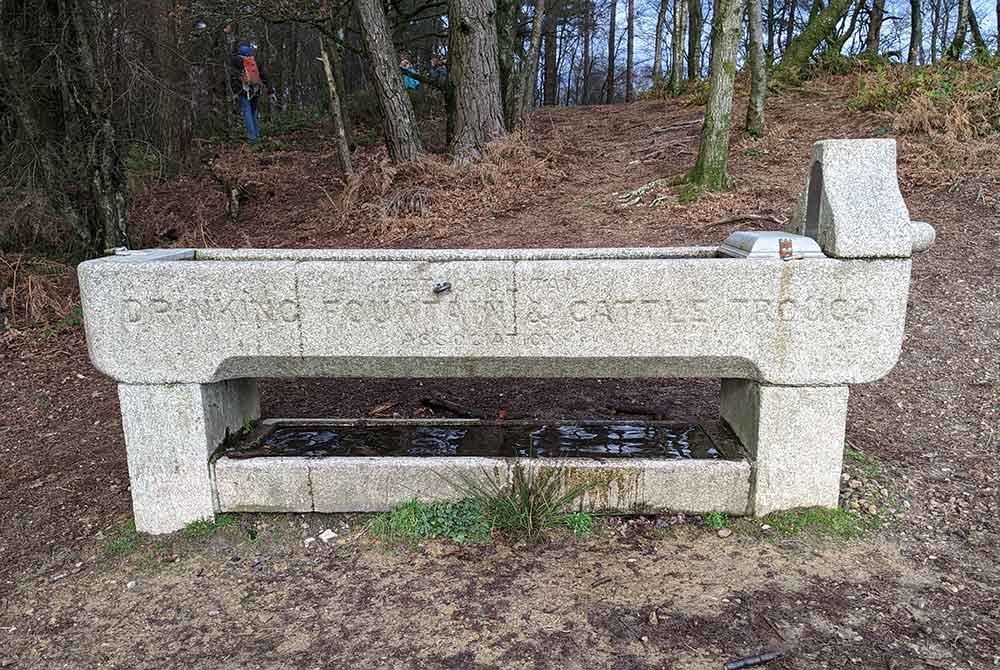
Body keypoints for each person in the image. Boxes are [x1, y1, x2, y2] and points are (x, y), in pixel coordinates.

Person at [230, 42, 272, 144]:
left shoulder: (236, 61)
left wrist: (235, 92)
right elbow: (264, 75)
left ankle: (252, 139)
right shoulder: (255, 61)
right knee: (253, 112)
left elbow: (233, 78)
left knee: (247, 112)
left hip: (243, 90)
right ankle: (257, 135)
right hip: (256, 89)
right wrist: (270, 90)